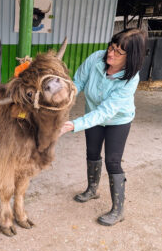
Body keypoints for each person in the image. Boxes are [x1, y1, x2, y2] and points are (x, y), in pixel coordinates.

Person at [60, 28, 146, 226]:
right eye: (111, 47)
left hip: (117, 121)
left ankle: (118, 210)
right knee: (92, 152)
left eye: (118, 51)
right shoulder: (96, 58)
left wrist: (73, 125)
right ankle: (92, 190)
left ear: (131, 57)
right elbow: (78, 82)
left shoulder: (130, 79)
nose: (111, 53)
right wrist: (62, 102)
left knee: (113, 161)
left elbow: (105, 112)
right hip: (93, 115)